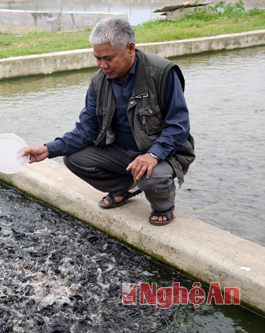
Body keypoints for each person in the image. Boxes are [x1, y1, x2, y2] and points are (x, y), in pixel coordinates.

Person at [22, 17, 195, 226]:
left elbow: (179, 126)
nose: (102, 65)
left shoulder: (162, 73)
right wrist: (48, 149)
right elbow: (86, 129)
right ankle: (126, 187)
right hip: (122, 152)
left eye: (108, 58)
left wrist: (153, 155)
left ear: (130, 48)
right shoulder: (98, 81)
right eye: (97, 58)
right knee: (74, 158)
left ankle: (163, 206)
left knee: (151, 177)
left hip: (162, 153)